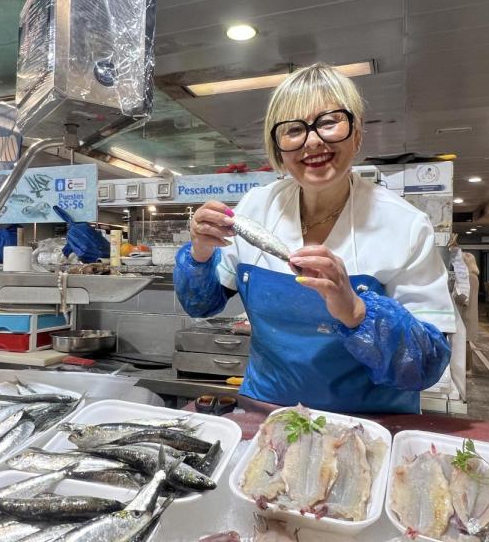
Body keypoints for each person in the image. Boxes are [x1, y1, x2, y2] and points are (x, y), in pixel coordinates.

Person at [173, 63, 454, 414]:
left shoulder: (405, 225)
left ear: (356, 132)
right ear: (278, 147)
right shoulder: (257, 207)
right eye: (293, 129)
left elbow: (426, 363)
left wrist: (356, 310)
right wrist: (200, 253)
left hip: (368, 424)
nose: (313, 140)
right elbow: (201, 304)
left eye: (328, 122)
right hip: (266, 412)